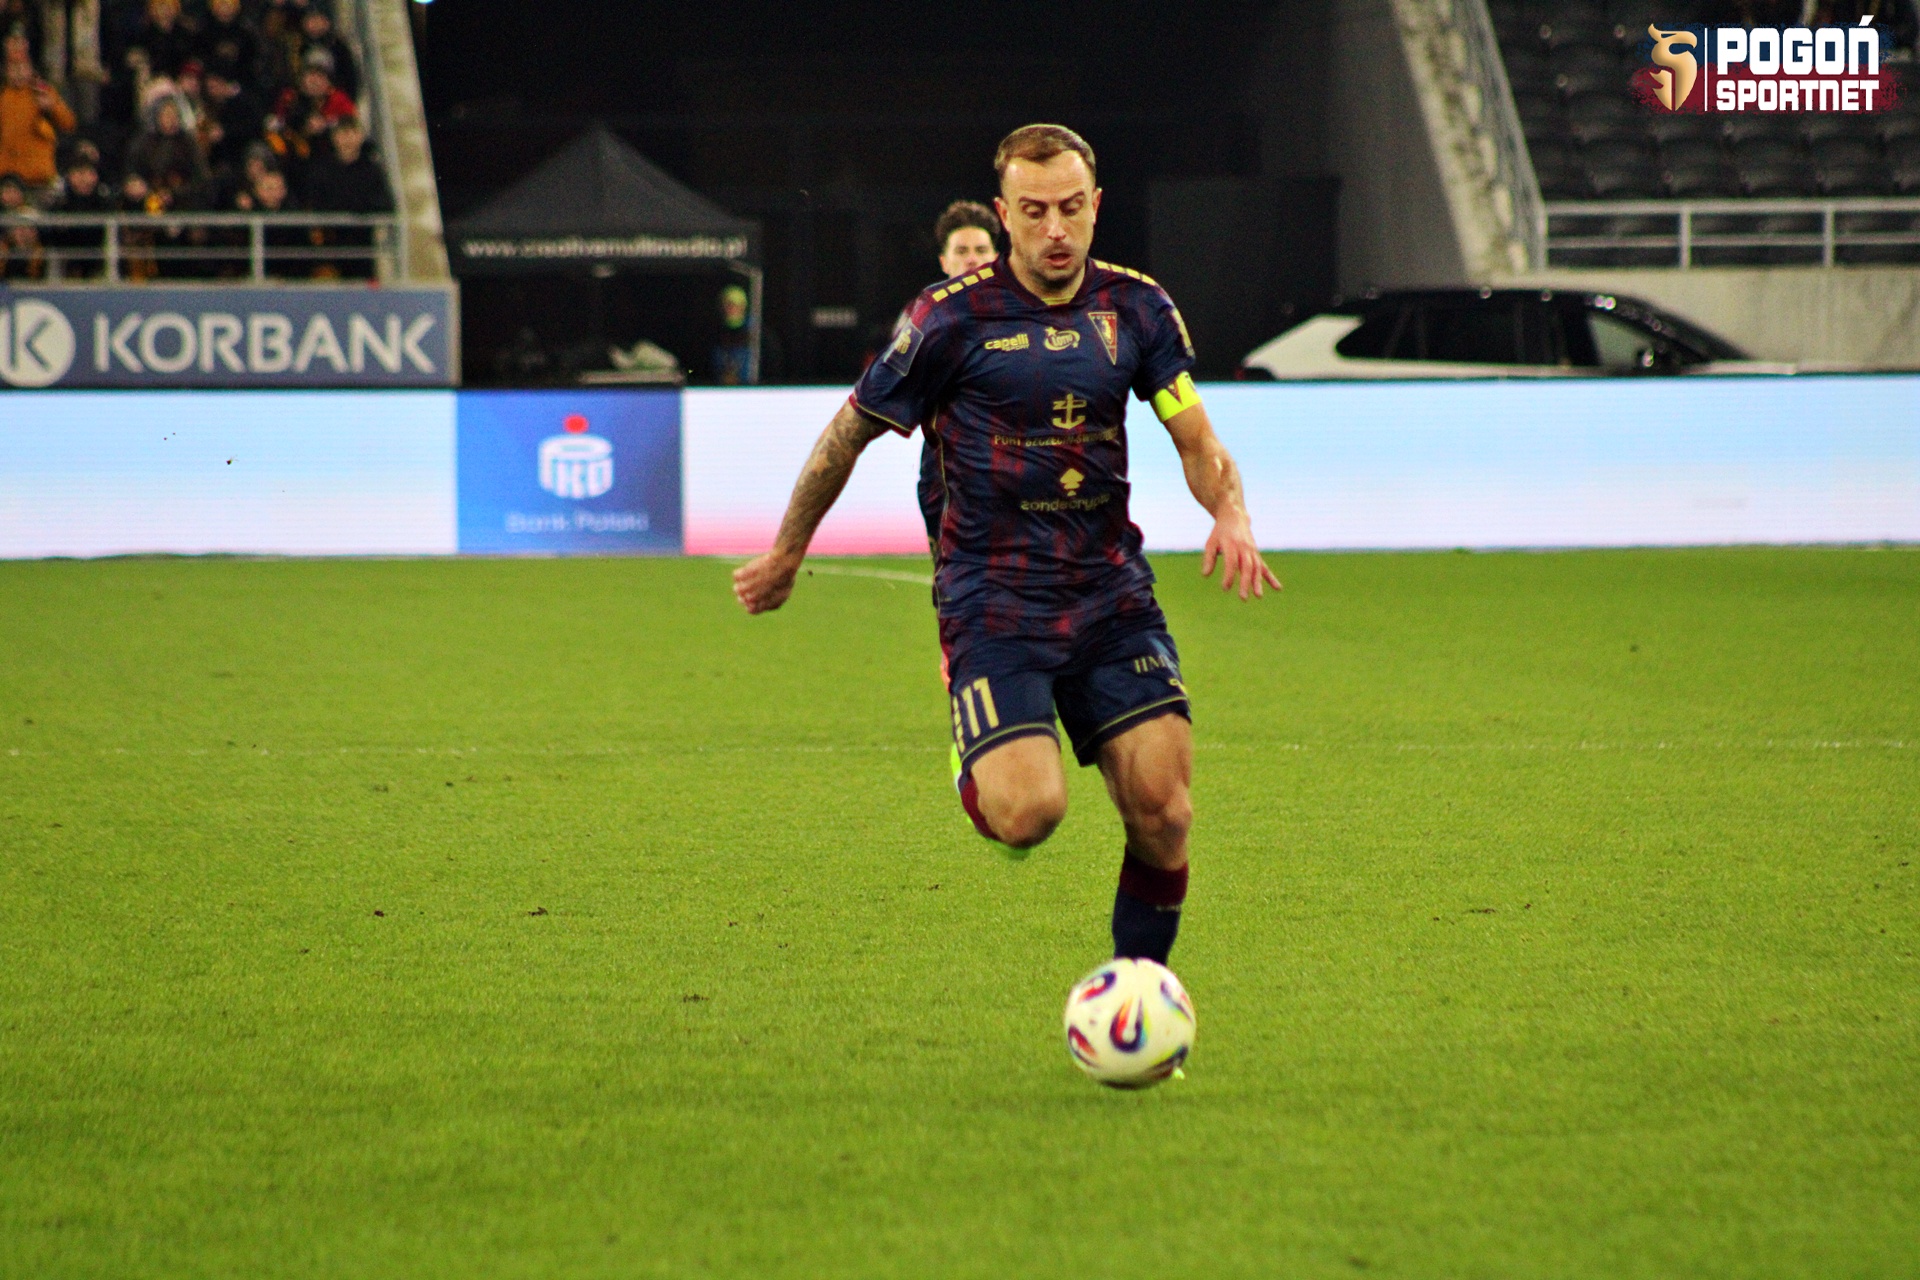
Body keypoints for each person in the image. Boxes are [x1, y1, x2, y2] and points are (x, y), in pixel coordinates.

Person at [732, 124, 1280, 970]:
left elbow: (1196, 439)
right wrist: (786, 553)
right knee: (1028, 816)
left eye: (1071, 208)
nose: (1055, 229)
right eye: (1034, 211)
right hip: (994, 600)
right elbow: (847, 434)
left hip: (1109, 595)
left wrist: (1231, 512)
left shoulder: (1138, 308)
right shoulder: (948, 319)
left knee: (1166, 814)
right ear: (1003, 213)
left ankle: (1138, 994)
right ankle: (974, 753)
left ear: (1096, 206)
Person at [0, 36, 75, 192]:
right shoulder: (3, 95)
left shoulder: (42, 91)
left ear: (31, 68)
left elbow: (69, 124)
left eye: (23, 67)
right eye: (13, 67)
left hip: (40, 178)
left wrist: (52, 107)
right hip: (7, 181)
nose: (19, 73)